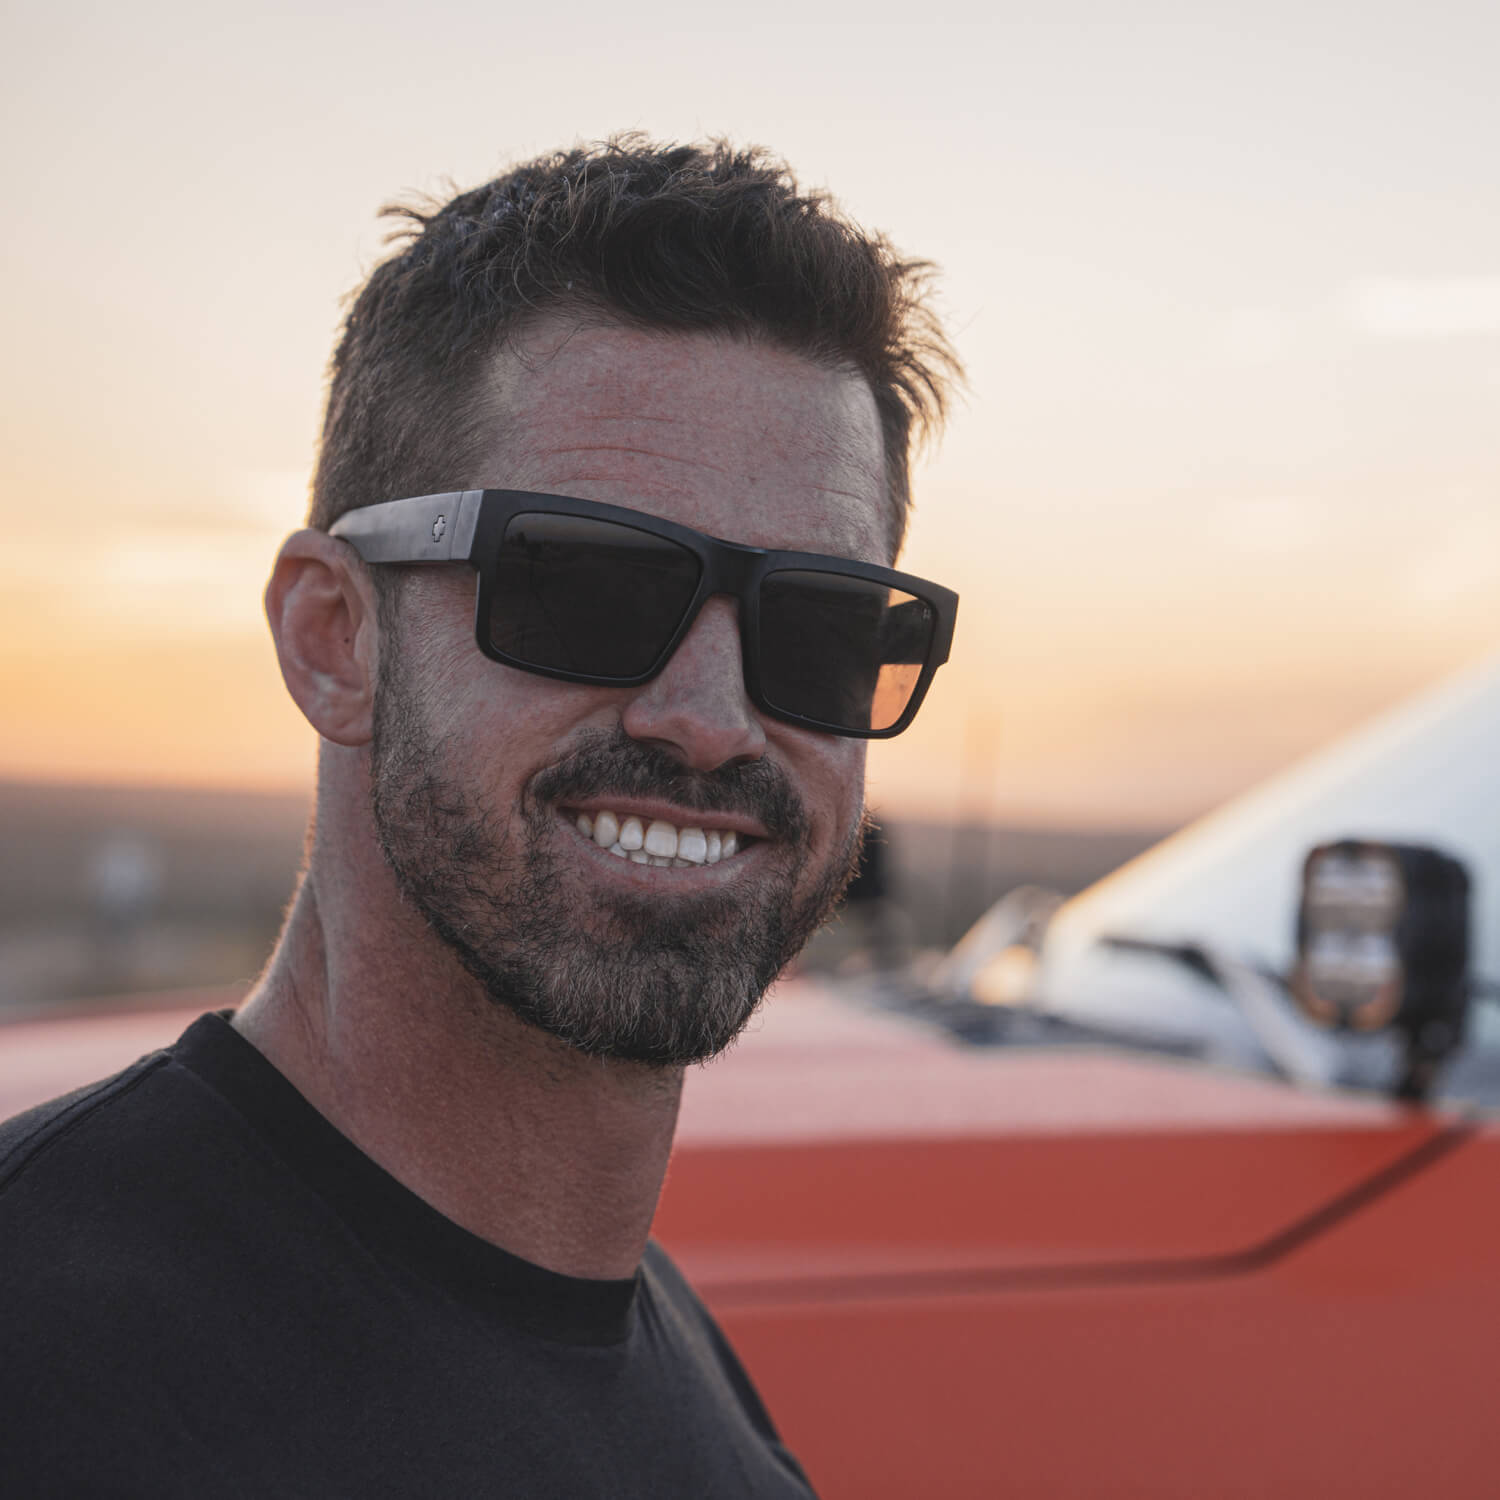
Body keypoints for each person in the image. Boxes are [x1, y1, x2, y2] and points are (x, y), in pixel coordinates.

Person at [0, 136, 960, 1497]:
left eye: (822, 623)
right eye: (585, 583)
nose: (710, 715)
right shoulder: (40, 1351)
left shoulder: (699, 1397)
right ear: (336, 637)